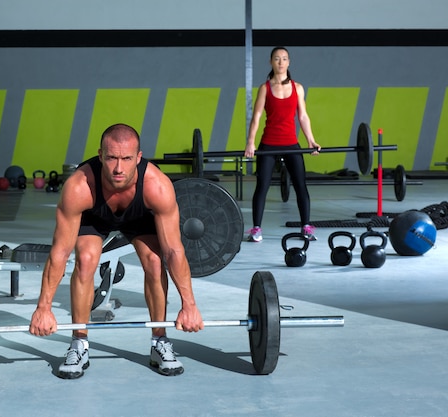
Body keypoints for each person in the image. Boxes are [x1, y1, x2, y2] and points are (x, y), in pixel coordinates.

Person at [29, 123, 204, 379]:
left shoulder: (157, 186)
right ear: (100, 155)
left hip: (139, 216)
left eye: (126, 159)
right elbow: (60, 252)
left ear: (139, 157)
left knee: (155, 261)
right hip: (94, 215)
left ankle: (159, 341)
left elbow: (174, 252)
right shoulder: (79, 186)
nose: (119, 168)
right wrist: (43, 308)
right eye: (111, 158)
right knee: (86, 261)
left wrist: (189, 305)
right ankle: (79, 342)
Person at [244, 46, 321, 243]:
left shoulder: (298, 88)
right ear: (271, 62)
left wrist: (311, 140)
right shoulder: (265, 88)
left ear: (289, 62)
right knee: (262, 186)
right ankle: (256, 229)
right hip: (269, 144)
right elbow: (257, 117)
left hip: (291, 144)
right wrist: (250, 143)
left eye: (284, 59)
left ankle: (306, 226)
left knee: (301, 186)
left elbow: (303, 116)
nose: (280, 62)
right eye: (277, 59)